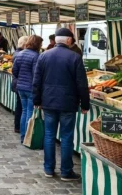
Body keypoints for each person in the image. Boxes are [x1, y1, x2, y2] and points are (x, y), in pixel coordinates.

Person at [33, 28, 90, 181]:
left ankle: (48, 169)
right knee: (66, 137)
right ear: (69, 40)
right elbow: (82, 84)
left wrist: (37, 100)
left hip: (49, 102)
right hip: (68, 103)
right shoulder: (75, 57)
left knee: (49, 135)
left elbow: (36, 81)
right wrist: (85, 104)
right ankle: (66, 171)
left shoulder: (44, 56)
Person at [12, 35, 43, 143]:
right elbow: (36, 74)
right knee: (29, 112)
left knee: (24, 111)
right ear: (38, 44)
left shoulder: (20, 54)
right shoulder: (36, 56)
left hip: (20, 87)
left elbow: (14, 71)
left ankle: (23, 135)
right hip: (30, 88)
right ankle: (26, 137)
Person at [12, 36, 29, 134]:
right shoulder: (20, 54)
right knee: (22, 108)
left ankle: (18, 126)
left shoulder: (16, 53)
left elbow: (15, 71)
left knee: (20, 106)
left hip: (18, 83)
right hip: (22, 84)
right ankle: (21, 128)